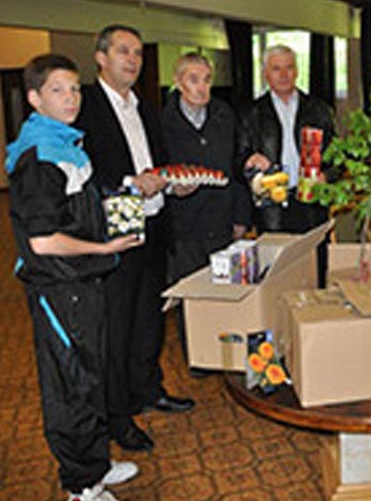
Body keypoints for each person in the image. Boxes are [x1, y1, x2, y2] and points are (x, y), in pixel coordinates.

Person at [6, 54, 141, 501]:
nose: (71, 99)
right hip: (60, 288)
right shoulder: (39, 156)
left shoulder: (66, 144)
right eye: (58, 90)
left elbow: (76, 212)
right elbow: (44, 241)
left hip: (85, 283)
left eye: (75, 89)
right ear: (34, 98)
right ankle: (81, 485)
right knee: (71, 385)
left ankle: (95, 464)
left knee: (92, 375)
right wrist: (104, 249)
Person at [75, 24, 195, 454]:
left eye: (138, 53)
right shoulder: (84, 107)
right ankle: (117, 416)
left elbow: (157, 163)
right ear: (100, 57)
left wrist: (173, 182)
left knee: (148, 323)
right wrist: (130, 182)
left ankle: (147, 389)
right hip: (115, 232)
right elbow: (81, 172)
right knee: (117, 329)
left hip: (154, 226)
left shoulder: (145, 108)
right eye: (123, 51)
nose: (133, 60)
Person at [161, 53, 252, 363]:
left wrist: (241, 216)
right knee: (192, 295)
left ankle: (224, 355)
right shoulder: (162, 122)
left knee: (225, 292)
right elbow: (156, 171)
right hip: (184, 224)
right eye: (193, 79)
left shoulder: (224, 115)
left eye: (207, 80)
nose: (201, 87)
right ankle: (199, 358)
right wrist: (172, 187)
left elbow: (236, 167)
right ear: (178, 82)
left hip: (223, 219)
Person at [238, 44, 335, 287]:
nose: (283, 74)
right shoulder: (251, 113)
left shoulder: (319, 110)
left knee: (315, 270)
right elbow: (237, 159)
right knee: (276, 276)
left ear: (297, 71)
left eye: (289, 68)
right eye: (276, 69)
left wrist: (327, 175)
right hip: (271, 206)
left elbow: (338, 158)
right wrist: (248, 161)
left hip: (311, 203)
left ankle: (314, 311)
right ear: (265, 74)